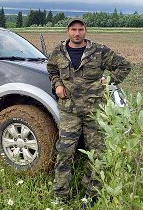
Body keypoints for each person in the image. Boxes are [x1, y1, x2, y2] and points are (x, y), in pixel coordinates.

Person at [47, 18, 131, 207]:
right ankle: (61, 196)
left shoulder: (99, 51)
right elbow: (52, 69)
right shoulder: (58, 52)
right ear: (68, 31)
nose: (77, 33)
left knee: (97, 154)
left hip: (95, 111)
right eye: (73, 29)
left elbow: (124, 66)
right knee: (64, 153)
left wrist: (108, 80)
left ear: (85, 31)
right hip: (69, 111)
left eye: (81, 29)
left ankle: (91, 196)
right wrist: (57, 84)